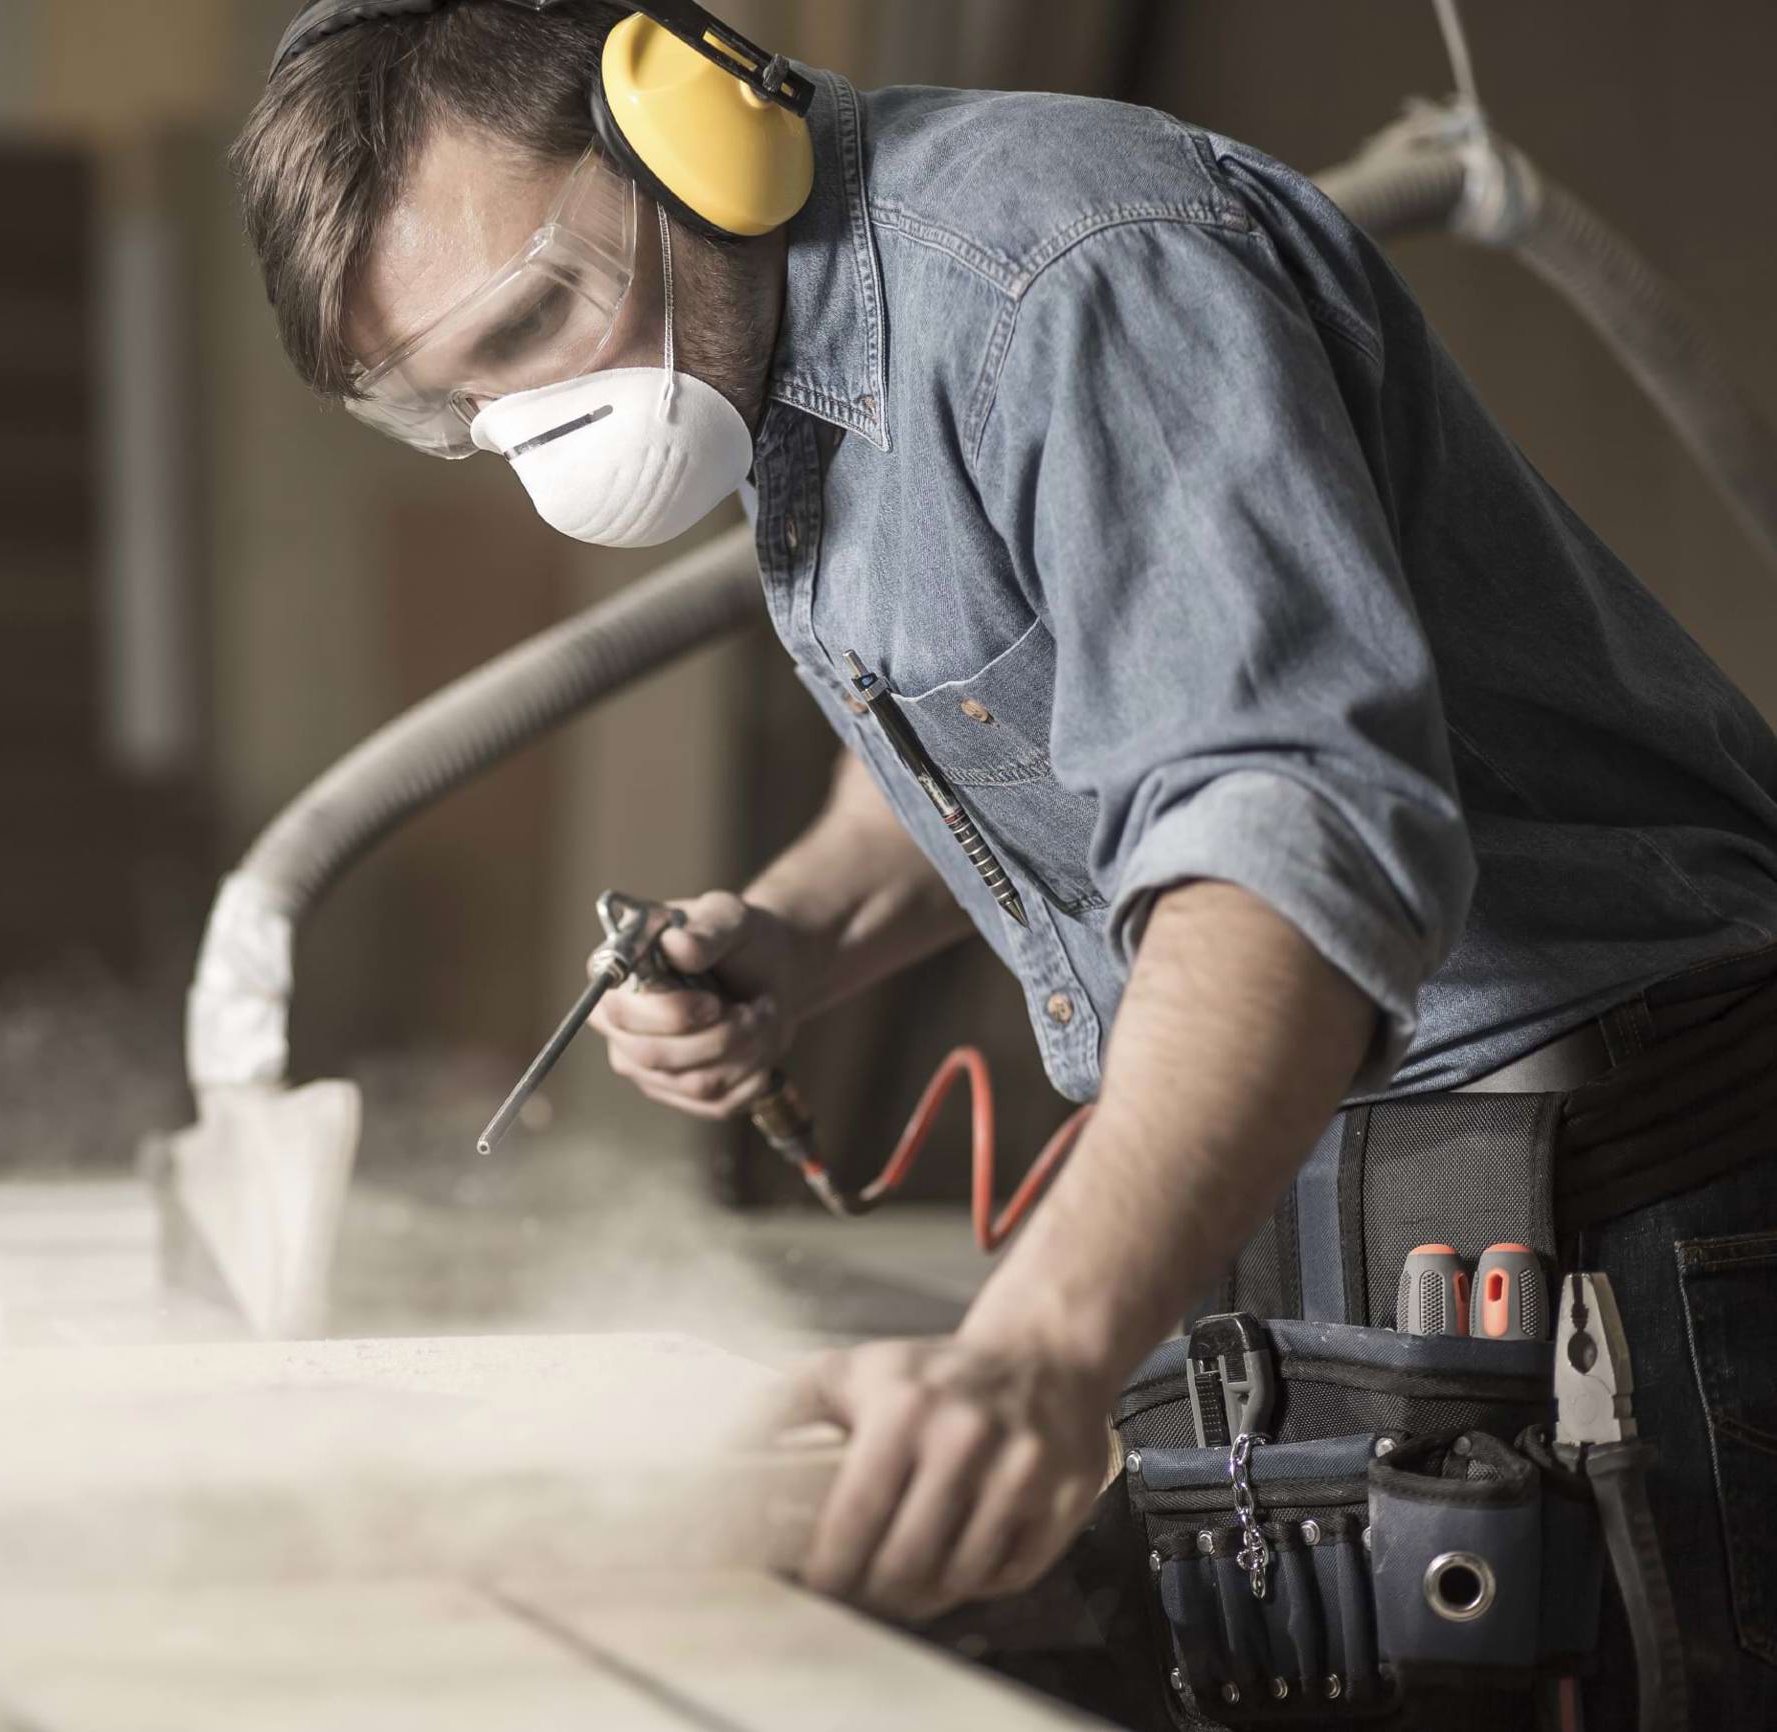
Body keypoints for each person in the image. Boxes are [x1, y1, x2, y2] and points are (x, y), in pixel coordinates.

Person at [232, 3, 1777, 1720]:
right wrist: (799, 936)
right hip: (1352, 1185)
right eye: (458, 409)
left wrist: (1038, 1350)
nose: (533, 428)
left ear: (692, 134)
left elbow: (1288, 849)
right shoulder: (798, 352)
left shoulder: (1073, 278)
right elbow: (1017, 700)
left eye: (533, 322)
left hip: (1621, 1211)